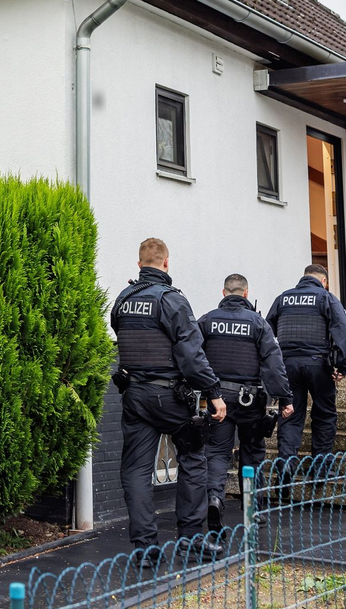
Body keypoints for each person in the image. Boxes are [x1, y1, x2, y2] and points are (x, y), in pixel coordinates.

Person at [111, 237, 227, 565]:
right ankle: (190, 540)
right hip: (171, 397)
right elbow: (192, 355)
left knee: (136, 470)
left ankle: (145, 549)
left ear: (139, 265)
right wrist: (214, 393)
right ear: (166, 262)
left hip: (135, 396)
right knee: (193, 458)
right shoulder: (172, 300)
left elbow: (122, 337)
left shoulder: (122, 300)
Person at [198, 273, 294, 532]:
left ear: (223, 292)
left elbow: (193, 356)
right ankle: (253, 509)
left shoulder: (207, 321)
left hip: (218, 399)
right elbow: (274, 364)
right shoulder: (258, 323)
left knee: (217, 453)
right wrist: (285, 398)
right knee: (251, 453)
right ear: (246, 293)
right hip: (250, 400)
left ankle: (215, 499)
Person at [267, 264, 346, 468]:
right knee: (324, 415)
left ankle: (286, 467)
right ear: (323, 281)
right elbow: (343, 332)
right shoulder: (326, 298)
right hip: (318, 365)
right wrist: (343, 366)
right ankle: (320, 471)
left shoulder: (283, 298)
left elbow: (267, 331)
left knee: (290, 415)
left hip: (287, 366)